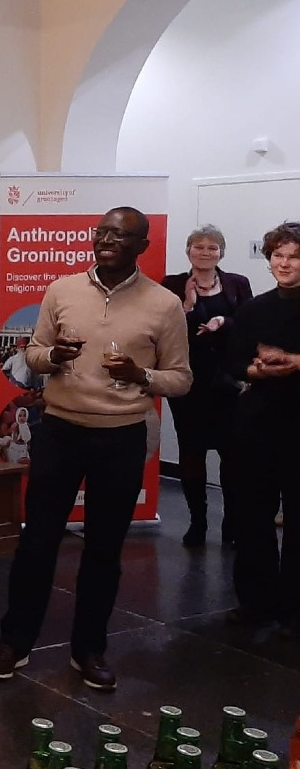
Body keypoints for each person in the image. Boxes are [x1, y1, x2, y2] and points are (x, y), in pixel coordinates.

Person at [0, 206, 190, 691]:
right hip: (60, 430)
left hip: (121, 436)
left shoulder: (164, 304)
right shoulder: (62, 289)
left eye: (120, 235)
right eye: (102, 233)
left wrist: (141, 375)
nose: (107, 241)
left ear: (142, 246)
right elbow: (33, 354)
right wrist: (53, 356)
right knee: (37, 542)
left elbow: (181, 379)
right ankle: (14, 642)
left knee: (104, 548)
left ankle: (89, 650)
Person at [224, 221, 300, 632]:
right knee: (253, 515)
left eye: (294, 257)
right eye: (278, 256)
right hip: (259, 423)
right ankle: (256, 601)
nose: (284, 263)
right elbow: (234, 363)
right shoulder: (254, 308)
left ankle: (294, 608)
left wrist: (293, 361)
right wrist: (257, 369)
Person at [161, 225, 253, 547]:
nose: (205, 252)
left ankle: (231, 522)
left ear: (221, 253)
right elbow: (164, 330)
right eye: (198, 247)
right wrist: (186, 306)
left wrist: (224, 322)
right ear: (188, 251)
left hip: (229, 384)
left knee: (233, 456)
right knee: (191, 453)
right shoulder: (172, 285)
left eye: (212, 247)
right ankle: (197, 522)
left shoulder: (237, 284)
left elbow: (248, 325)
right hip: (189, 383)